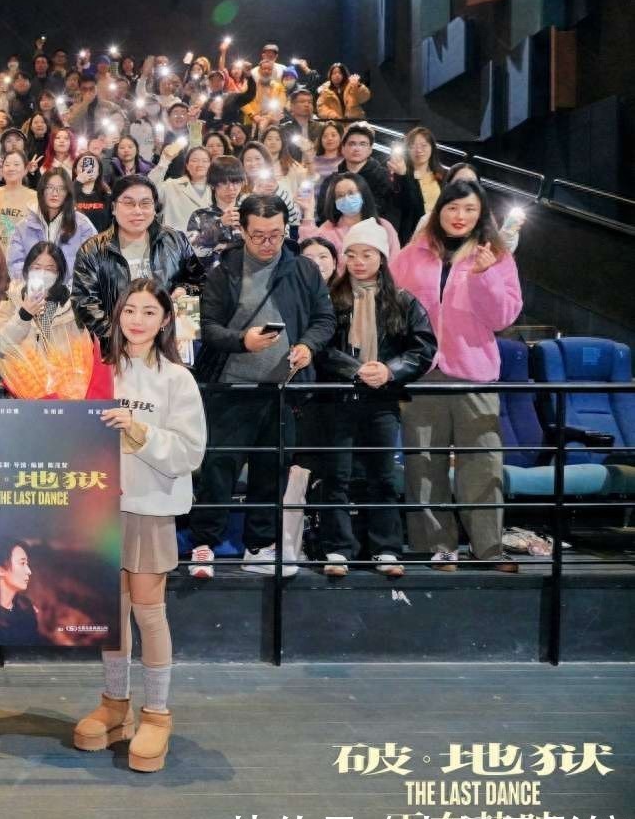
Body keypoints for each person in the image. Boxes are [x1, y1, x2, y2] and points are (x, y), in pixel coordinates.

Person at [73, 279, 206, 771]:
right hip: (99, 507)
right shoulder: (97, 369)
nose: (137, 320)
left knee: (149, 612)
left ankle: (156, 714)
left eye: (149, 312)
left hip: (150, 506)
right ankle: (114, 705)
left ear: (165, 319)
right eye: (130, 310)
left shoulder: (177, 379)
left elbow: (190, 452)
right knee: (111, 611)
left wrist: (137, 429)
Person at [188, 195, 336, 579]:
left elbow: (324, 319)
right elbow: (210, 330)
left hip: (283, 389)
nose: (268, 243)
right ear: (242, 231)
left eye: (276, 234)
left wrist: (308, 346)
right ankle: (204, 543)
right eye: (258, 236)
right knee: (219, 468)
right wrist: (243, 341)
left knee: (273, 470)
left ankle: (260, 546)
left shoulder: (302, 269)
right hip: (232, 389)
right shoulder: (224, 272)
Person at [390, 179, 522, 573]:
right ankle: (437, 548)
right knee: (423, 466)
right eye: (452, 207)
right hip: (422, 375)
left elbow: (503, 317)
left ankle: (489, 548)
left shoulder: (496, 256)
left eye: (469, 209)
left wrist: (484, 275)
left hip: (474, 376)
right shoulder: (412, 254)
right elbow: (390, 308)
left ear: (481, 214)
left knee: (483, 464)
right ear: (439, 211)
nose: (459, 216)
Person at [314, 219, 436, 578]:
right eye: (351, 254)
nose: (358, 262)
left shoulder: (402, 300)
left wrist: (389, 371)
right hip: (338, 399)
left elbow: (423, 348)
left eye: (367, 254)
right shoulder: (328, 298)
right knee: (335, 476)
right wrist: (353, 369)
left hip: (382, 400)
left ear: (382, 257)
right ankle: (337, 549)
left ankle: (386, 549)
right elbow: (318, 345)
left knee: (383, 477)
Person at [72, 175, 200, 358]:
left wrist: (184, 290)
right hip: (117, 352)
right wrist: (122, 339)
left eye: (145, 203)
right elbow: (84, 304)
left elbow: (199, 281)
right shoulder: (92, 250)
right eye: (129, 203)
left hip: (170, 348)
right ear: (114, 208)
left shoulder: (176, 241)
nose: (137, 211)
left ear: (155, 208)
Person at [299, 173, 401, 276]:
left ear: (363, 194)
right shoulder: (328, 229)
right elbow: (309, 252)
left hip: (381, 284)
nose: (346, 198)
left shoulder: (383, 226)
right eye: (340, 196)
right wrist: (308, 212)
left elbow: (395, 263)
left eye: (351, 193)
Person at [7, 168, 97, 277]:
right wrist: (32, 283)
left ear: (68, 193)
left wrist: (66, 286)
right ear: (42, 190)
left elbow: (92, 264)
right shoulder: (23, 226)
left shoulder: (83, 225)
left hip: (70, 287)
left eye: (61, 188)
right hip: (32, 286)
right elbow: (15, 263)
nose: (55, 193)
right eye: (50, 187)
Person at [185, 155, 245, 277]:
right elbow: (194, 251)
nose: (231, 188)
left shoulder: (249, 213)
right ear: (212, 184)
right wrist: (220, 225)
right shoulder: (200, 215)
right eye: (224, 182)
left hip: (246, 279)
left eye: (235, 182)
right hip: (210, 280)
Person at [386, 126, 444, 237]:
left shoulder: (442, 175)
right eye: (412, 146)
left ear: (432, 147)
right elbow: (403, 205)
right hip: (411, 234)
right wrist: (402, 175)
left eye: (424, 145)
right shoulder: (399, 175)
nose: (419, 150)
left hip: (438, 232)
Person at [0, 537, 38, 645]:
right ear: (0, 569)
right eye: (22, 563)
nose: (29, 571)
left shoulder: (26, 608)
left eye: (27, 564)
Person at [150, 140, 211, 232]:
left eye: (205, 161)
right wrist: (164, 161)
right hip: (175, 239)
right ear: (187, 165)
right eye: (194, 160)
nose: (200, 164)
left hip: (207, 239)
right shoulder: (171, 185)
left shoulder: (216, 189)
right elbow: (149, 189)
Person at [0, 150, 38, 247]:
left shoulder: (35, 197)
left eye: (16, 164)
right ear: (2, 169)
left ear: (25, 170)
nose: (11, 168)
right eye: (7, 165)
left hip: (23, 252)